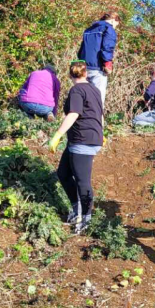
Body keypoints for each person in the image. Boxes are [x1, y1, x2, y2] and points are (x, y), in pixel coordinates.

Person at [49, 60, 105, 234]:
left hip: (82, 139)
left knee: (82, 181)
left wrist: (57, 135)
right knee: (63, 173)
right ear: (86, 73)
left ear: (69, 75)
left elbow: (74, 113)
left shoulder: (76, 90)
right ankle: (77, 209)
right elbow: (100, 115)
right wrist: (102, 133)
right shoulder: (95, 89)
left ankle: (86, 220)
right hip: (85, 138)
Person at [77, 13, 119, 114]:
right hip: (98, 68)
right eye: (116, 24)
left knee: (84, 98)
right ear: (113, 20)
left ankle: (82, 120)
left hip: (84, 67)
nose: (115, 27)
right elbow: (107, 48)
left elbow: (81, 51)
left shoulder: (89, 29)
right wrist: (108, 64)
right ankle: (98, 121)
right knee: (98, 100)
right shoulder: (108, 29)